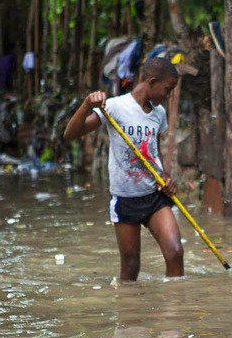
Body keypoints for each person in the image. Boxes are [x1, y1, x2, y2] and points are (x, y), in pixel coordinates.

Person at [63, 57, 184, 282]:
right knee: (130, 267)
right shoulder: (115, 106)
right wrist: (87, 104)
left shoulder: (158, 114)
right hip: (125, 199)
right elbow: (70, 134)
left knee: (175, 252)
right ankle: (129, 314)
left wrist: (165, 178)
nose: (167, 97)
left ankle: (175, 312)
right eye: (167, 90)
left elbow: (153, 153)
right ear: (152, 81)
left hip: (154, 196)